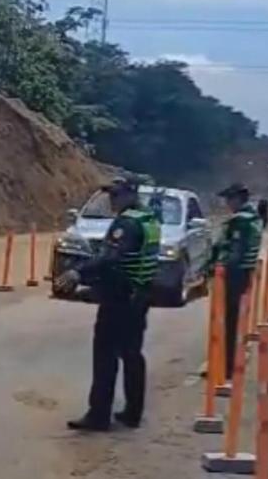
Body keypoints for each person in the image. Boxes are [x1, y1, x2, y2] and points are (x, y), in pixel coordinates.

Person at [55, 177, 161, 431]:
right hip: (140, 294)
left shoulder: (127, 223)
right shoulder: (149, 218)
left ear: (130, 195)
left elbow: (110, 258)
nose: (112, 201)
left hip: (120, 297)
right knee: (132, 353)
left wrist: (77, 274)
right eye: (110, 196)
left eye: (116, 196)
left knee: (105, 355)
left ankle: (99, 414)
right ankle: (133, 412)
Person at [214, 183, 263, 383]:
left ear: (237, 199)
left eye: (229, 199)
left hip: (234, 275)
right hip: (245, 272)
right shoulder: (254, 218)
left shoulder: (240, 222)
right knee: (234, 321)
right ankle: (228, 363)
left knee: (229, 322)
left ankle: (226, 368)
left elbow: (235, 252)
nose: (227, 203)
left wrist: (219, 267)